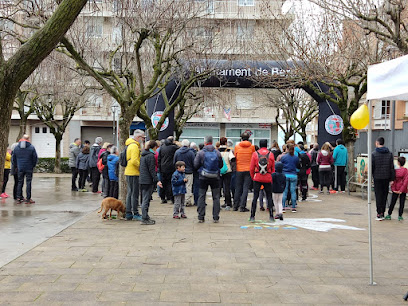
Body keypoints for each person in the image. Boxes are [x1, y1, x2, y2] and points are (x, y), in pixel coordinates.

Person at [194, 135, 223, 223]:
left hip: (203, 177)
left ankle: (201, 216)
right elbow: (221, 165)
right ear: (212, 142)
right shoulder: (217, 152)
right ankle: (215, 216)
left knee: (202, 196)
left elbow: (195, 165)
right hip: (215, 177)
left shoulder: (201, 153)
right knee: (216, 197)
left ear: (205, 142)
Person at [249, 139, 275, 222]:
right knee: (269, 197)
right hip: (267, 177)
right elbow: (273, 168)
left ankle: (252, 216)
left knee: (255, 197)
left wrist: (253, 177)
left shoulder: (255, 154)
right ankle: (271, 216)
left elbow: (251, 168)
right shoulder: (271, 154)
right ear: (267, 145)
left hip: (257, 177)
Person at [372, 136, 395, 221]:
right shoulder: (389, 153)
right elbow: (392, 167)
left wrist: (371, 176)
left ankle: (379, 213)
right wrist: (392, 179)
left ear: (377, 143)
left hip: (377, 177)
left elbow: (372, 166)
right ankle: (383, 212)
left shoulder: (374, 154)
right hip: (386, 177)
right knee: (384, 195)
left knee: (378, 195)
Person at [124, 129, 145, 221]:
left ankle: (129, 212)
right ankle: (134, 212)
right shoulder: (134, 146)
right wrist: (141, 167)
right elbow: (134, 160)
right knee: (134, 193)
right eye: (143, 138)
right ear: (138, 137)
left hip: (130, 171)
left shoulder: (130, 145)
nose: (143, 140)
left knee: (130, 192)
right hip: (134, 172)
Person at [139, 140, 162, 225]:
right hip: (148, 180)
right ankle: (144, 218)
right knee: (146, 199)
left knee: (144, 198)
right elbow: (152, 170)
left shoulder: (143, 155)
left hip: (142, 179)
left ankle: (145, 216)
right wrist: (157, 180)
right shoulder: (151, 156)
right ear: (155, 147)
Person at [12, 135, 38, 204]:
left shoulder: (16, 148)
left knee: (20, 182)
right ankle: (28, 198)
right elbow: (35, 158)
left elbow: (13, 158)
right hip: (29, 167)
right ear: (28, 139)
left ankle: (18, 198)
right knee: (28, 182)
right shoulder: (31, 147)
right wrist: (33, 165)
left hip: (20, 167)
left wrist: (16, 165)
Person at [233, 132, 255, 212]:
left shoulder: (237, 147)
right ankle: (242, 206)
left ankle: (235, 205)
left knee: (238, 187)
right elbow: (253, 157)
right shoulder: (252, 147)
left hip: (239, 169)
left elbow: (235, 157)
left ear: (241, 138)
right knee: (246, 188)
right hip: (248, 169)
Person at [174, 139, 195, 206]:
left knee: (179, 185)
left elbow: (174, 162)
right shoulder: (191, 153)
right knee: (188, 186)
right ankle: (187, 201)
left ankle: (179, 200)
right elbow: (194, 162)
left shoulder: (177, 152)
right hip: (189, 171)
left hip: (179, 172)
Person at [385, 157, 407, 221]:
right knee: (402, 203)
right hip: (403, 189)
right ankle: (400, 216)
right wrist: (401, 190)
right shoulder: (406, 171)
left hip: (396, 188)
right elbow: (406, 181)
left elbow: (393, 180)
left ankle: (389, 214)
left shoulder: (395, 170)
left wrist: (393, 189)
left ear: (398, 163)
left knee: (393, 202)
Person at [158, 136, 179, 204]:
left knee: (163, 183)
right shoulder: (173, 147)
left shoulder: (162, 147)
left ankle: (163, 198)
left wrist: (160, 167)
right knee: (171, 183)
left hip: (163, 167)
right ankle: (172, 198)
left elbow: (159, 158)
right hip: (171, 167)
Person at [280, 144, 299, 212]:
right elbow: (298, 166)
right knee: (293, 191)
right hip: (293, 175)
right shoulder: (296, 157)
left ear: (287, 149)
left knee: (285, 191)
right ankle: (293, 207)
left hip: (285, 174)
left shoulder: (283, 157)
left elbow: (280, 165)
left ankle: (283, 206)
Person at [218, 137, 234, 210]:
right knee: (227, 188)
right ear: (226, 143)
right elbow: (232, 158)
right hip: (227, 170)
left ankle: (217, 203)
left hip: (219, 171)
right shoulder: (228, 150)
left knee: (218, 188)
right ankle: (228, 203)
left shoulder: (217, 151)